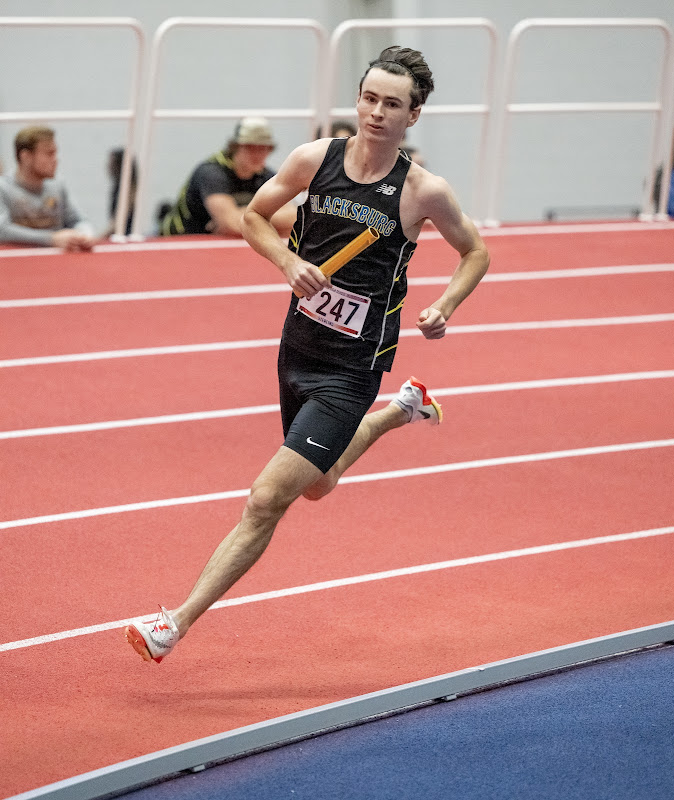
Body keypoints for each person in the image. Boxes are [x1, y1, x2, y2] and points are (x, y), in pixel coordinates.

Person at [125, 45, 490, 664]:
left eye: (392, 104)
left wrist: (445, 307)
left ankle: (174, 624)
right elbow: (253, 218)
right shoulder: (313, 160)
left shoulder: (423, 191)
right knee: (317, 484)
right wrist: (289, 262)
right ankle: (404, 410)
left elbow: (475, 253)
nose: (376, 112)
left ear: (414, 115)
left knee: (268, 498)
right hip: (297, 348)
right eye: (369, 98)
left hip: (353, 367)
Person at [160, 117, 296, 237]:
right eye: (250, 147)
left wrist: (245, 217)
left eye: (263, 148)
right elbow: (231, 224)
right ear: (235, 147)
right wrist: (261, 218)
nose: (258, 154)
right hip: (180, 241)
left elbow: (294, 218)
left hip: (220, 245)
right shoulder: (212, 173)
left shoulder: (265, 175)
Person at [0, 126, 95, 250]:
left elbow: (79, 220)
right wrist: (51, 238)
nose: (55, 160)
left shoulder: (57, 186)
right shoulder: (4, 188)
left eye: (55, 153)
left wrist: (84, 235)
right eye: (49, 154)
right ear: (26, 157)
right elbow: (2, 230)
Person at [103, 147, 137, 237]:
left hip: (126, 235)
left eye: (111, 163)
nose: (108, 167)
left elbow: (119, 221)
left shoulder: (129, 188)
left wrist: (100, 237)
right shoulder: (117, 187)